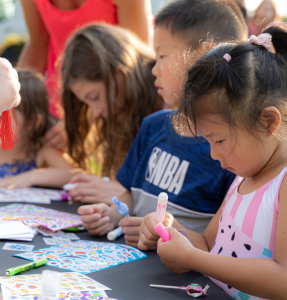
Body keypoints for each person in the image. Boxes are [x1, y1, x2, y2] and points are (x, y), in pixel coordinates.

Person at [139, 24, 287, 299]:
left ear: (268, 122)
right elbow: (208, 244)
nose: (213, 154)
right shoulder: (244, 175)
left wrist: (192, 259)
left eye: (218, 141)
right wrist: (171, 231)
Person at [77, 0, 248, 242]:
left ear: (204, 57)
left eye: (162, 55)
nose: (154, 70)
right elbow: (130, 196)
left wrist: (163, 234)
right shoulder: (152, 126)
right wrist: (111, 215)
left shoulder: (229, 152)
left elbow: (217, 242)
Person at [18, 0, 153, 150]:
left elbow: (137, 64)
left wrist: (83, 118)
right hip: (65, 105)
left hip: (119, 104)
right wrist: (14, 101)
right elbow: (38, 43)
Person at [61, 24, 162, 203]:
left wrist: (120, 193)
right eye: (87, 103)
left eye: (95, 97)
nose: (96, 111)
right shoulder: (122, 113)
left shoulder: (168, 104)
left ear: (120, 74)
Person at [0, 69, 81, 188]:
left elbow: (76, 175)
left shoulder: (40, 150)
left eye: (2, 118)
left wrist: (31, 177)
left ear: (31, 122)